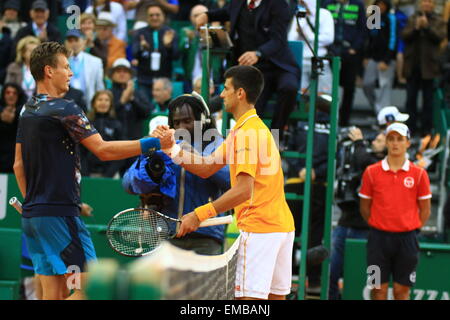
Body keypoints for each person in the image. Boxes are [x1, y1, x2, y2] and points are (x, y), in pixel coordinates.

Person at [13, 41, 171, 300]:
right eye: (66, 67)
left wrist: (32, 203)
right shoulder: (65, 108)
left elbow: (18, 165)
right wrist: (154, 143)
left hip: (34, 218)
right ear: (49, 71)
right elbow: (103, 150)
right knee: (87, 290)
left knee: (53, 294)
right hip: (60, 216)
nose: (71, 73)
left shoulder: (27, 110)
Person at [153, 65, 295, 300]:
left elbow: (242, 190)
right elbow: (208, 166)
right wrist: (171, 149)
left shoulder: (248, 133)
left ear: (240, 93)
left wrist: (198, 214)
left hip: (260, 228)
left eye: (226, 89)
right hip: (280, 228)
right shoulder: (248, 129)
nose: (221, 94)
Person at [125, 94, 230, 254]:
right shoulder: (161, 144)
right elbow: (128, 183)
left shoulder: (217, 144)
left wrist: (196, 157)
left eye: (187, 121)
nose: (181, 127)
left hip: (205, 235)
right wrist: (149, 167)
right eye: (176, 122)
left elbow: (231, 179)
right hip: (165, 235)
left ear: (202, 120)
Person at [195, 0, 301, 138]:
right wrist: (207, 15)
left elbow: (278, 40)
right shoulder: (237, 2)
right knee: (252, 102)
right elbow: (225, 12)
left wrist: (258, 53)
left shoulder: (278, 4)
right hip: (255, 70)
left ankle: (277, 137)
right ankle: (253, 142)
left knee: (289, 87)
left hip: (279, 65)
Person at [359, 122, 432, 300]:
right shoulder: (371, 172)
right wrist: (380, 224)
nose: (395, 143)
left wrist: (409, 227)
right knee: (378, 290)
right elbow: (364, 208)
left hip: (407, 241)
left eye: (400, 139)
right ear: (386, 142)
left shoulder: (419, 174)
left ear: (407, 143)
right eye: (391, 139)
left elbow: (425, 211)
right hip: (377, 241)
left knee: (402, 291)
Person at [329, 128, 387, 299]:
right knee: (332, 272)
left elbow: (366, 162)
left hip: (366, 229)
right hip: (345, 223)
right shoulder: (361, 155)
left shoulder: (383, 165)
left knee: (361, 275)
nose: (373, 143)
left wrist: (358, 142)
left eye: (378, 141)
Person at [401, 0, 446, 136]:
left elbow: (439, 37)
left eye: (429, 2)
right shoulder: (412, 18)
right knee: (410, 99)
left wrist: (426, 27)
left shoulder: (438, 20)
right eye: (424, 1)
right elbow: (404, 36)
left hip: (429, 67)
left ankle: (426, 129)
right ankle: (411, 127)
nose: (426, 4)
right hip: (413, 65)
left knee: (428, 101)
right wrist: (416, 28)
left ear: (433, 5)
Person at [322, 0, 366, 126]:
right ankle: (327, 119)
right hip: (330, 52)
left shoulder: (358, 5)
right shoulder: (327, 4)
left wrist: (355, 48)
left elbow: (363, 29)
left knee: (349, 88)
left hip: (350, 52)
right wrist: (328, 48)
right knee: (328, 88)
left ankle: (344, 121)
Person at [132, 3, 179, 103]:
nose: (154, 18)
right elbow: (134, 54)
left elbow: (176, 56)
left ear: (163, 16)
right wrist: (142, 48)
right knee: (145, 109)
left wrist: (168, 46)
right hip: (144, 79)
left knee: (166, 108)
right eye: (151, 15)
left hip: (164, 79)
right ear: (147, 17)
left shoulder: (170, 32)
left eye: (157, 15)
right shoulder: (140, 33)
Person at [288, 0, 335, 94]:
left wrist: (308, 35)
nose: (301, 4)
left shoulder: (324, 14)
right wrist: (300, 27)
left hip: (320, 61)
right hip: (301, 61)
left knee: (325, 97)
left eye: (303, 2)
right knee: (302, 96)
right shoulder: (299, 15)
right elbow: (291, 39)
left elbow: (329, 39)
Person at [362, 0, 397, 115]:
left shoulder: (391, 18)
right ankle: (378, 110)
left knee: (384, 87)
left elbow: (393, 39)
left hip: (386, 58)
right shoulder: (374, 18)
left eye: (383, 5)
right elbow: (370, 38)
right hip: (373, 57)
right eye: (379, 4)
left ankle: (383, 117)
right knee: (367, 84)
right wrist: (366, 56)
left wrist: (387, 59)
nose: (381, 7)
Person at [109, 58, 151, 141]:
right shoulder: (107, 94)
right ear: (112, 75)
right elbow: (105, 115)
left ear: (130, 75)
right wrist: (122, 102)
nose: (122, 74)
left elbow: (146, 113)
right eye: (118, 71)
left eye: (125, 71)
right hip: (113, 141)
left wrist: (132, 99)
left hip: (135, 140)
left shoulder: (138, 93)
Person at [85, 90, 124, 178]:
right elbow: (80, 150)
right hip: (88, 173)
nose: (103, 103)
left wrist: (109, 174)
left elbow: (121, 151)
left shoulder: (117, 124)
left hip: (111, 174)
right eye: (100, 99)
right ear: (93, 103)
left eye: (106, 100)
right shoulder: (86, 123)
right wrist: (85, 173)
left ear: (111, 104)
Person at [64, 29, 105, 111]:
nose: (73, 44)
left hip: (89, 105)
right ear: (65, 43)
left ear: (83, 41)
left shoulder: (95, 62)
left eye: (76, 40)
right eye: (70, 41)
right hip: (67, 105)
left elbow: (99, 87)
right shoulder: (61, 62)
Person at [0, 83, 26, 173]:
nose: (11, 95)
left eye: (14, 93)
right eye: (8, 92)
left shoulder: (25, 114)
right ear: (3, 95)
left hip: (18, 160)